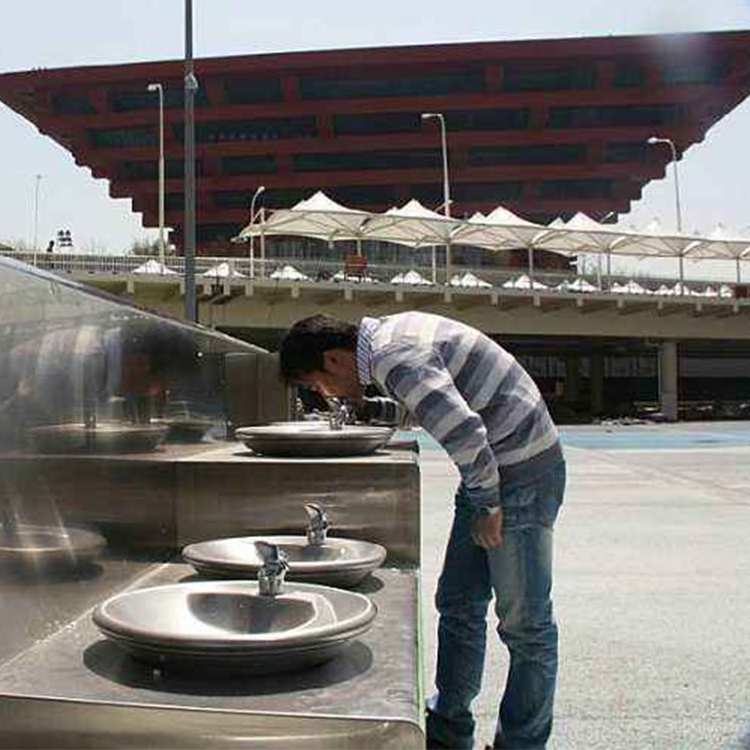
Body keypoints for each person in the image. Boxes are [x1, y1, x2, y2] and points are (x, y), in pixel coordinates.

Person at [279, 312, 566, 750]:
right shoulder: (388, 338)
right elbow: (430, 404)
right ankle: (450, 729)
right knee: (459, 603)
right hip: (493, 469)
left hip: (519, 473)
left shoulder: (395, 358)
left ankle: (522, 743)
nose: (323, 394)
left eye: (318, 384)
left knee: (526, 626)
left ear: (334, 360)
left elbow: (466, 432)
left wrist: (488, 504)